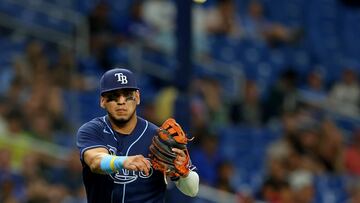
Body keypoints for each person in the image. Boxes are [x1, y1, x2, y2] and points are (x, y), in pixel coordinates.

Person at [76, 68, 199, 203]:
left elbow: (192, 190)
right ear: (102, 101)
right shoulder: (92, 130)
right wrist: (123, 161)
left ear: (138, 97)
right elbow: (95, 161)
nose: (121, 101)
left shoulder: (158, 137)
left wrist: (183, 173)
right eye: (114, 95)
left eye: (127, 95)